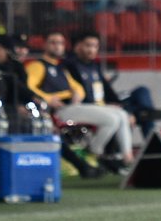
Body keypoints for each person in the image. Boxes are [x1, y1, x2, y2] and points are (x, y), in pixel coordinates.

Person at [26, 31, 133, 173]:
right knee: (112, 119)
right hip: (60, 110)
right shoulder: (37, 66)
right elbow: (28, 87)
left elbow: (77, 87)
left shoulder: (60, 68)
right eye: (53, 43)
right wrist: (48, 99)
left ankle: (127, 157)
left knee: (122, 114)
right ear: (44, 45)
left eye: (61, 43)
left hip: (73, 106)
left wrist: (78, 93)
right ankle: (95, 152)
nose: (58, 47)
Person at [64, 30, 161, 139]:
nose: (92, 50)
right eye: (88, 46)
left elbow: (108, 90)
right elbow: (81, 95)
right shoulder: (71, 66)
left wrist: (119, 105)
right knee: (140, 116)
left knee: (142, 91)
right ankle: (143, 115)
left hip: (108, 102)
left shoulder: (94, 66)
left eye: (95, 46)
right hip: (95, 106)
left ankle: (144, 112)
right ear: (78, 46)